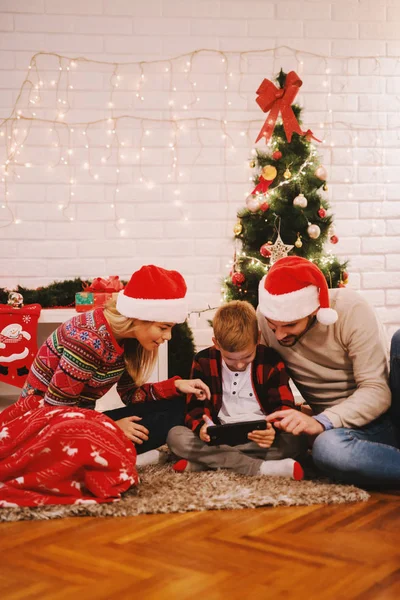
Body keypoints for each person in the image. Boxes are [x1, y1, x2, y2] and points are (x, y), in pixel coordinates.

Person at [0, 265, 210, 507]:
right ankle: (117, 455)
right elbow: (56, 412)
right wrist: (111, 427)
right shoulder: (88, 339)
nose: (168, 337)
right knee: (161, 418)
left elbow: (131, 395)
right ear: (138, 318)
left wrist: (177, 386)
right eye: (163, 328)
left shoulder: (127, 339)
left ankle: (116, 453)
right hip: (42, 432)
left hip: (79, 420)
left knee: (178, 403)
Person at [256, 255, 400, 487]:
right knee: (327, 449)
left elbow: (377, 391)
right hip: (339, 431)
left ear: (314, 311)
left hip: (383, 416)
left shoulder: (350, 309)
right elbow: (260, 378)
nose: (279, 335)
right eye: (274, 326)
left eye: (290, 325)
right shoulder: (264, 318)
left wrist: (322, 421)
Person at [167, 300, 308, 479]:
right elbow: (195, 408)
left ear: (257, 339)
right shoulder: (203, 360)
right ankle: (258, 468)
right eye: (230, 359)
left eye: (248, 356)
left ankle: (207, 462)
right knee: (175, 436)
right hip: (218, 436)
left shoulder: (270, 359)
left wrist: (273, 429)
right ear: (216, 344)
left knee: (298, 440)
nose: (240, 364)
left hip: (259, 437)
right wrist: (202, 427)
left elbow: (283, 405)